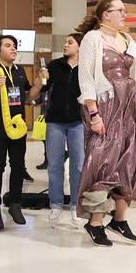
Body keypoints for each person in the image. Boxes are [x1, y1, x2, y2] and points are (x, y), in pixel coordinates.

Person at [76, 0, 136, 246]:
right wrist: (94, 114)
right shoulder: (92, 38)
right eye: (121, 10)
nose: (124, 15)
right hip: (105, 107)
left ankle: (119, 218)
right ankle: (95, 222)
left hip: (128, 108)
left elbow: (134, 77)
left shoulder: (127, 39)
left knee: (129, 159)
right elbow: (85, 79)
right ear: (106, 14)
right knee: (103, 162)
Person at [0, 35, 42, 230]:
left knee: (18, 166)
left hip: (18, 127)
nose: (14, 49)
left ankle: (15, 204)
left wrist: (37, 86)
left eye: (15, 46)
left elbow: (28, 97)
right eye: (8, 46)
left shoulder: (19, 71)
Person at [41, 33, 84, 227]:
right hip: (55, 122)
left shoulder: (87, 68)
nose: (65, 45)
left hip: (78, 122)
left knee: (78, 167)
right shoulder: (54, 65)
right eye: (65, 42)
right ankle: (56, 204)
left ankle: (76, 205)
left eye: (70, 42)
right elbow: (43, 88)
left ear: (80, 47)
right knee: (55, 165)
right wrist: (41, 79)